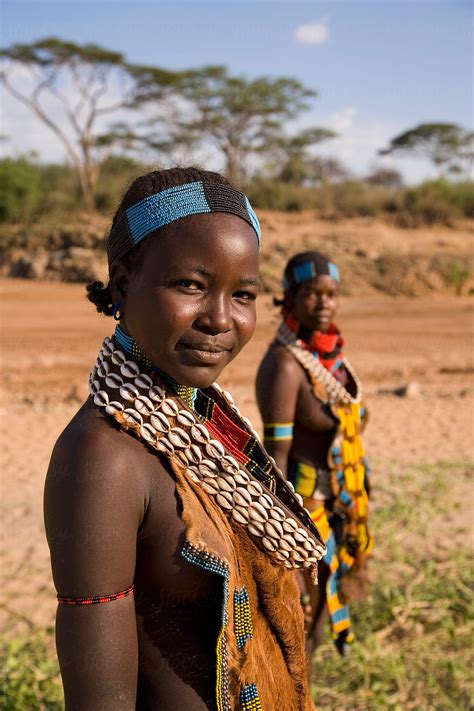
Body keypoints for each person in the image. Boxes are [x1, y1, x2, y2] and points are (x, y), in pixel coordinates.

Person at [44, 168, 326, 711]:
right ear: (123, 284)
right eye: (190, 285)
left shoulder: (209, 428)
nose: (220, 319)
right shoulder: (104, 459)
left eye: (243, 293)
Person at [256, 251, 373, 661]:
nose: (323, 303)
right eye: (311, 294)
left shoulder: (330, 358)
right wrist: (284, 533)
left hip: (339, 495)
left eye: (331, 294)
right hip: (307, 505)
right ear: (290, 298)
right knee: (306, 606)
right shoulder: (286, 367)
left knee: (327, 594)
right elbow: (276, 457)